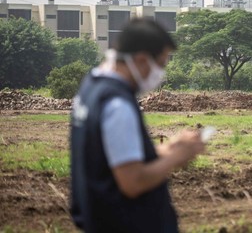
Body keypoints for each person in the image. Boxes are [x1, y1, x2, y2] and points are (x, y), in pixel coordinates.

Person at [70, 18, 205, 232]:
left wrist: (167, 149)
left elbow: (117, 160)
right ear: (142, 60)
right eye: (160, 65)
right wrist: (176, 157)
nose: (160, 74)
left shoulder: (91, 87)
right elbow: (133, 182)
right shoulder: (118, 105)